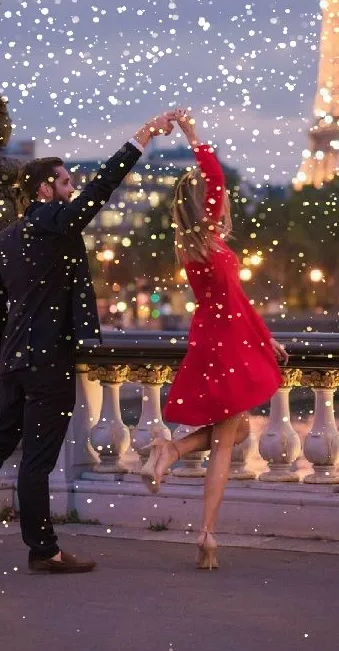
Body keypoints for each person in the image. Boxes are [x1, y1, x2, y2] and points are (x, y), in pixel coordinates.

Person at [0, 112, 175, 574]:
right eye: (65, 181)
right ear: (43, 189)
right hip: (49, 359)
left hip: (16, 357)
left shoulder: (7, 237)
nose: (73, 187)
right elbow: (100, 190)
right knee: (37, 457)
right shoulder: (55, 222)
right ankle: (43, 549)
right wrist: (139, 141)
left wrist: (11, 342)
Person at [141, 108, 288, 570]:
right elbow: (216, 177)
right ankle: (206, 531)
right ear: (208, 204)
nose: (222, 201)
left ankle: (173, 450)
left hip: (213, 335)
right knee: (227, 440)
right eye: (216, 198)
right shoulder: (208, 237)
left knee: (239, 431)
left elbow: (235, 300)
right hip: (227, 338)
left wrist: (267, 339)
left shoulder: (191, 245)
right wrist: (193, 134)